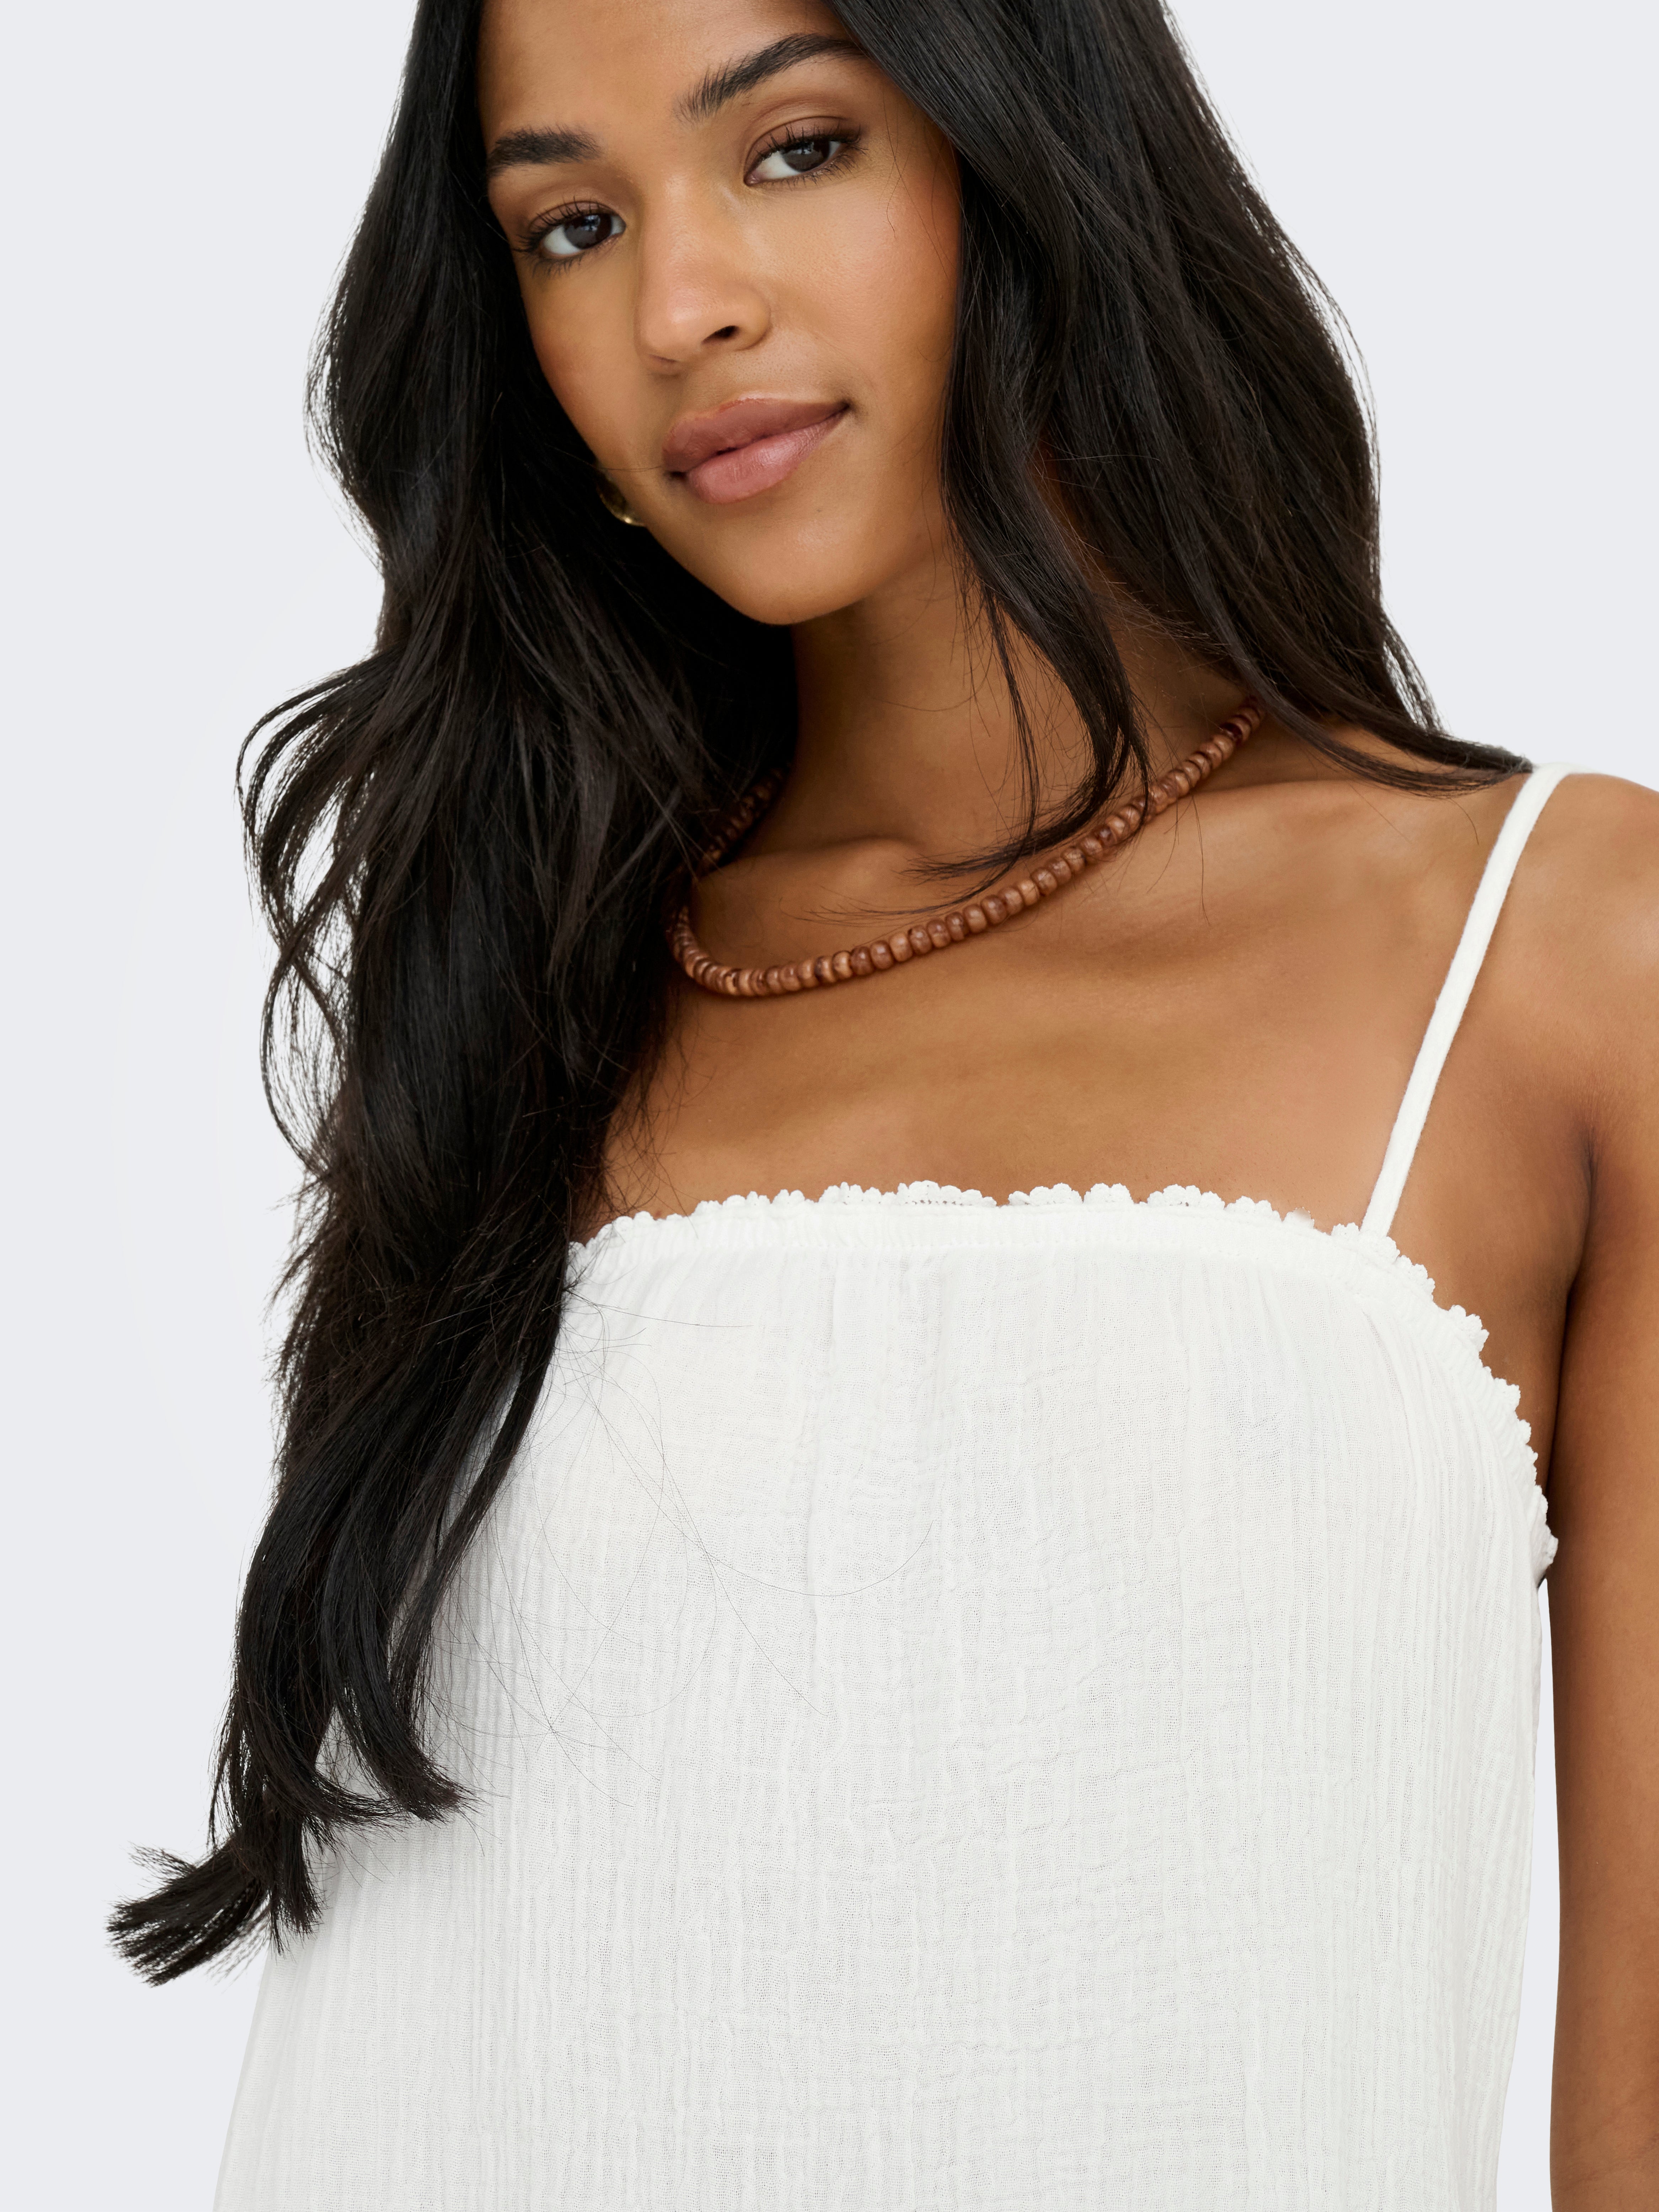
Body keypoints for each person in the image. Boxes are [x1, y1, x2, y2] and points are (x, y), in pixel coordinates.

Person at [114, 0, 1659, 2203]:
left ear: (1030, 150)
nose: (678, 306)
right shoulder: (534, 990)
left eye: (796, 147)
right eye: (570, 226)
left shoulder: (1566, 952)